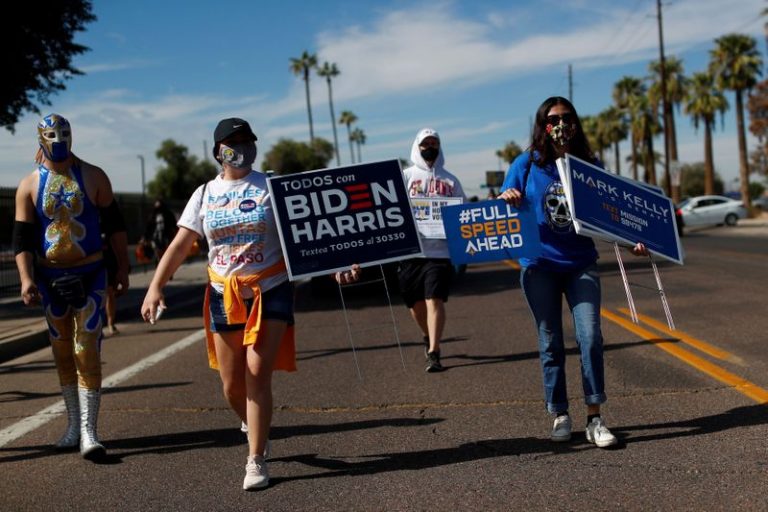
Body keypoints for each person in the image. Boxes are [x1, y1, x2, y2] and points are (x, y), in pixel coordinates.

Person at [140, 117, 359, 491]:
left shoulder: (272, 187)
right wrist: (155, 286)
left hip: (269, 287)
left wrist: (336, 267)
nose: (242, 146)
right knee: (231, 385)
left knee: (257, 373)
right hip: (224, 294)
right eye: (234, 141)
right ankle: (254, 424)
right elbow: (180, 245)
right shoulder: (205, 194)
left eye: (247, 139)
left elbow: (308, 234)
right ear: (218, 151)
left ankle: (255, 458)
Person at [498, 97, 647, 448]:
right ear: (542, 124)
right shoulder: (526, 164)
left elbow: (610, 215)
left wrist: (632, 242)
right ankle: (560, 414)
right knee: (550, 342)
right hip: (540, 267)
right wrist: (508, 196)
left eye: (566, 118)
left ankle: (595, 417)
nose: (560, 124)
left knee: (590, 336)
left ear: (576, 123)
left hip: (580, 264)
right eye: (553, 119)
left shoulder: (588, 166)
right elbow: (505, 208)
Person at [13, 113, 130, 460]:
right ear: (40, 139)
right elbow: (21, 237)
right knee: (62, 353)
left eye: (63, 133)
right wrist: (26, 278)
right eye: (51, 135)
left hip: (91, 273)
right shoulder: (29, 185)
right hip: (50, 279)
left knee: (86, 350)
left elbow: (116, 226)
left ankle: (90, 433)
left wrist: (122, 268)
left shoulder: (94, 176)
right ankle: (72, 427)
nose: (58, 140)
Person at [398, 128, 466, 372]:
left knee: (433, 299)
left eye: (434, 142)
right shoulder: (404, 177)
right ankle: (429, 337)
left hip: (440, 253)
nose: (430, 147)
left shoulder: (451, 181)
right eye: (425, 143)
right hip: (412, 252)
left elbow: (464, 214)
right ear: (417, 145)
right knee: (414, 305)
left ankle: (434, 352)